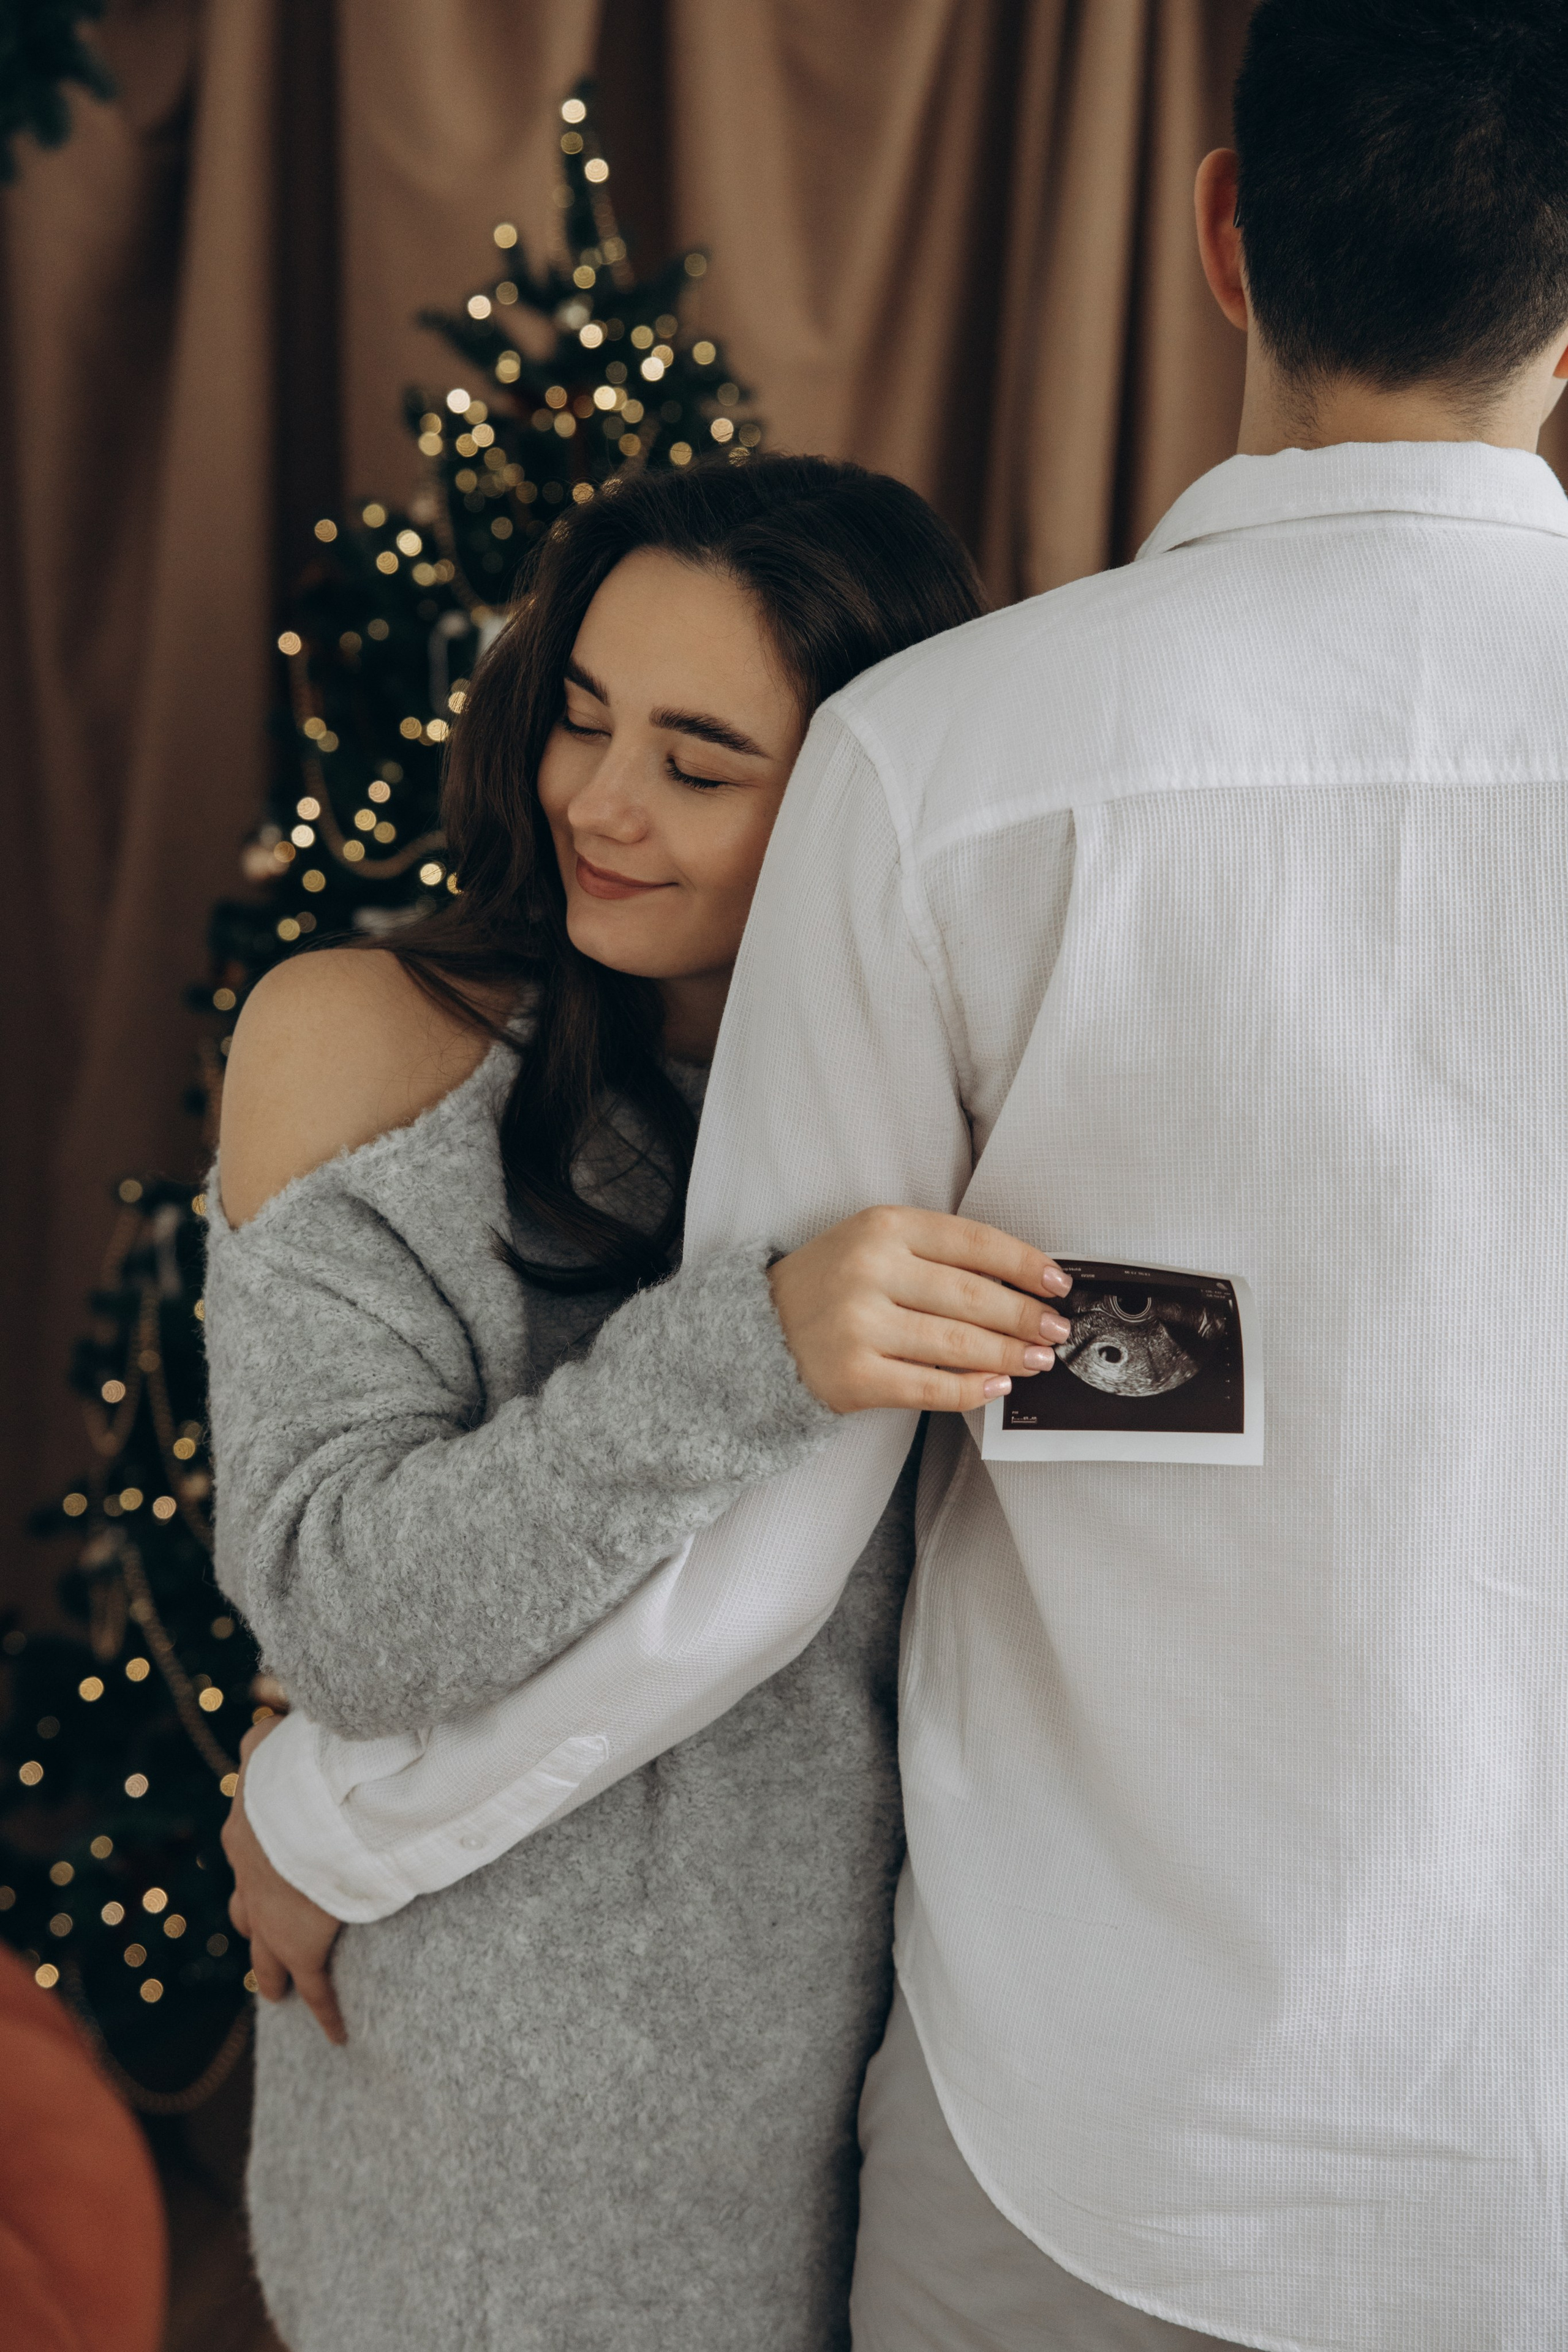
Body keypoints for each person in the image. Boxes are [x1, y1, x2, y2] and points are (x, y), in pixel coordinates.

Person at [227, 3, 1568, 2345]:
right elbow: (761, 1394)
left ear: (1223, 234)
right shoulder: (882, 775)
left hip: (1081, 2125)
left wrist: (339, 1822)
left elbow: (768, 1520)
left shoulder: (950, 759)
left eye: (692, 758)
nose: (608, 803)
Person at [205, 454, 1072, 2352]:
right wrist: (755, 1351)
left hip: (899, 2112)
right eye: (582, 717)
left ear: (863, 793)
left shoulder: (993, 1120)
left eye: (700, 763)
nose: (597, 803)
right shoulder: (366, 1047)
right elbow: (340, 1603)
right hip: (483, 2126)